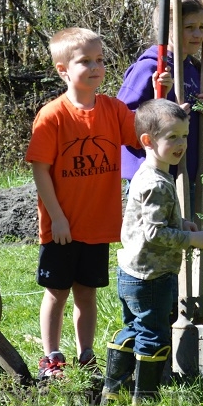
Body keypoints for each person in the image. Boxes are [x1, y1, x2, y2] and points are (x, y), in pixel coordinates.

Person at [25, 27, 164, 380]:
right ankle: (51, 358)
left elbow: (144, 135)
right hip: (62, 226)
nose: (95, 67)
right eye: (85, 61)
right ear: (62, 70)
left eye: (99, 60)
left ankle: (86, 355)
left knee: (86, 293)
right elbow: (40, 170)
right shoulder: (53, 115)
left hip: (98, 225)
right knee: (56, 293)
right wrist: (57, 217)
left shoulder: (113, 110)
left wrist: (160, 94)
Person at [102, 99, 203, 403]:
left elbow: (149, 222)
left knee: (133, 328)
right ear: (148, 141)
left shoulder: (148, 173)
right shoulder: (158, 184)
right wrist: (193, 239)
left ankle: (113, 389)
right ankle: (145, 399)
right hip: (151, 276)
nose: (181, 144)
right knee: (153, 335)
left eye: (185, 135)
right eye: (172, 137)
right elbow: (155, 234)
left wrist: (182, 223)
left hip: (131, 271)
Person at [117, 0, 203, 192]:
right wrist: (165, 117)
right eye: (189, 27)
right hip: (152, 180)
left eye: (202, 27)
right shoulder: (150, 68)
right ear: (167, 29)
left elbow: (201, 133)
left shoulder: (196, 71)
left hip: (187, 177)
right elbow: (122, 122)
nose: (198, 34)